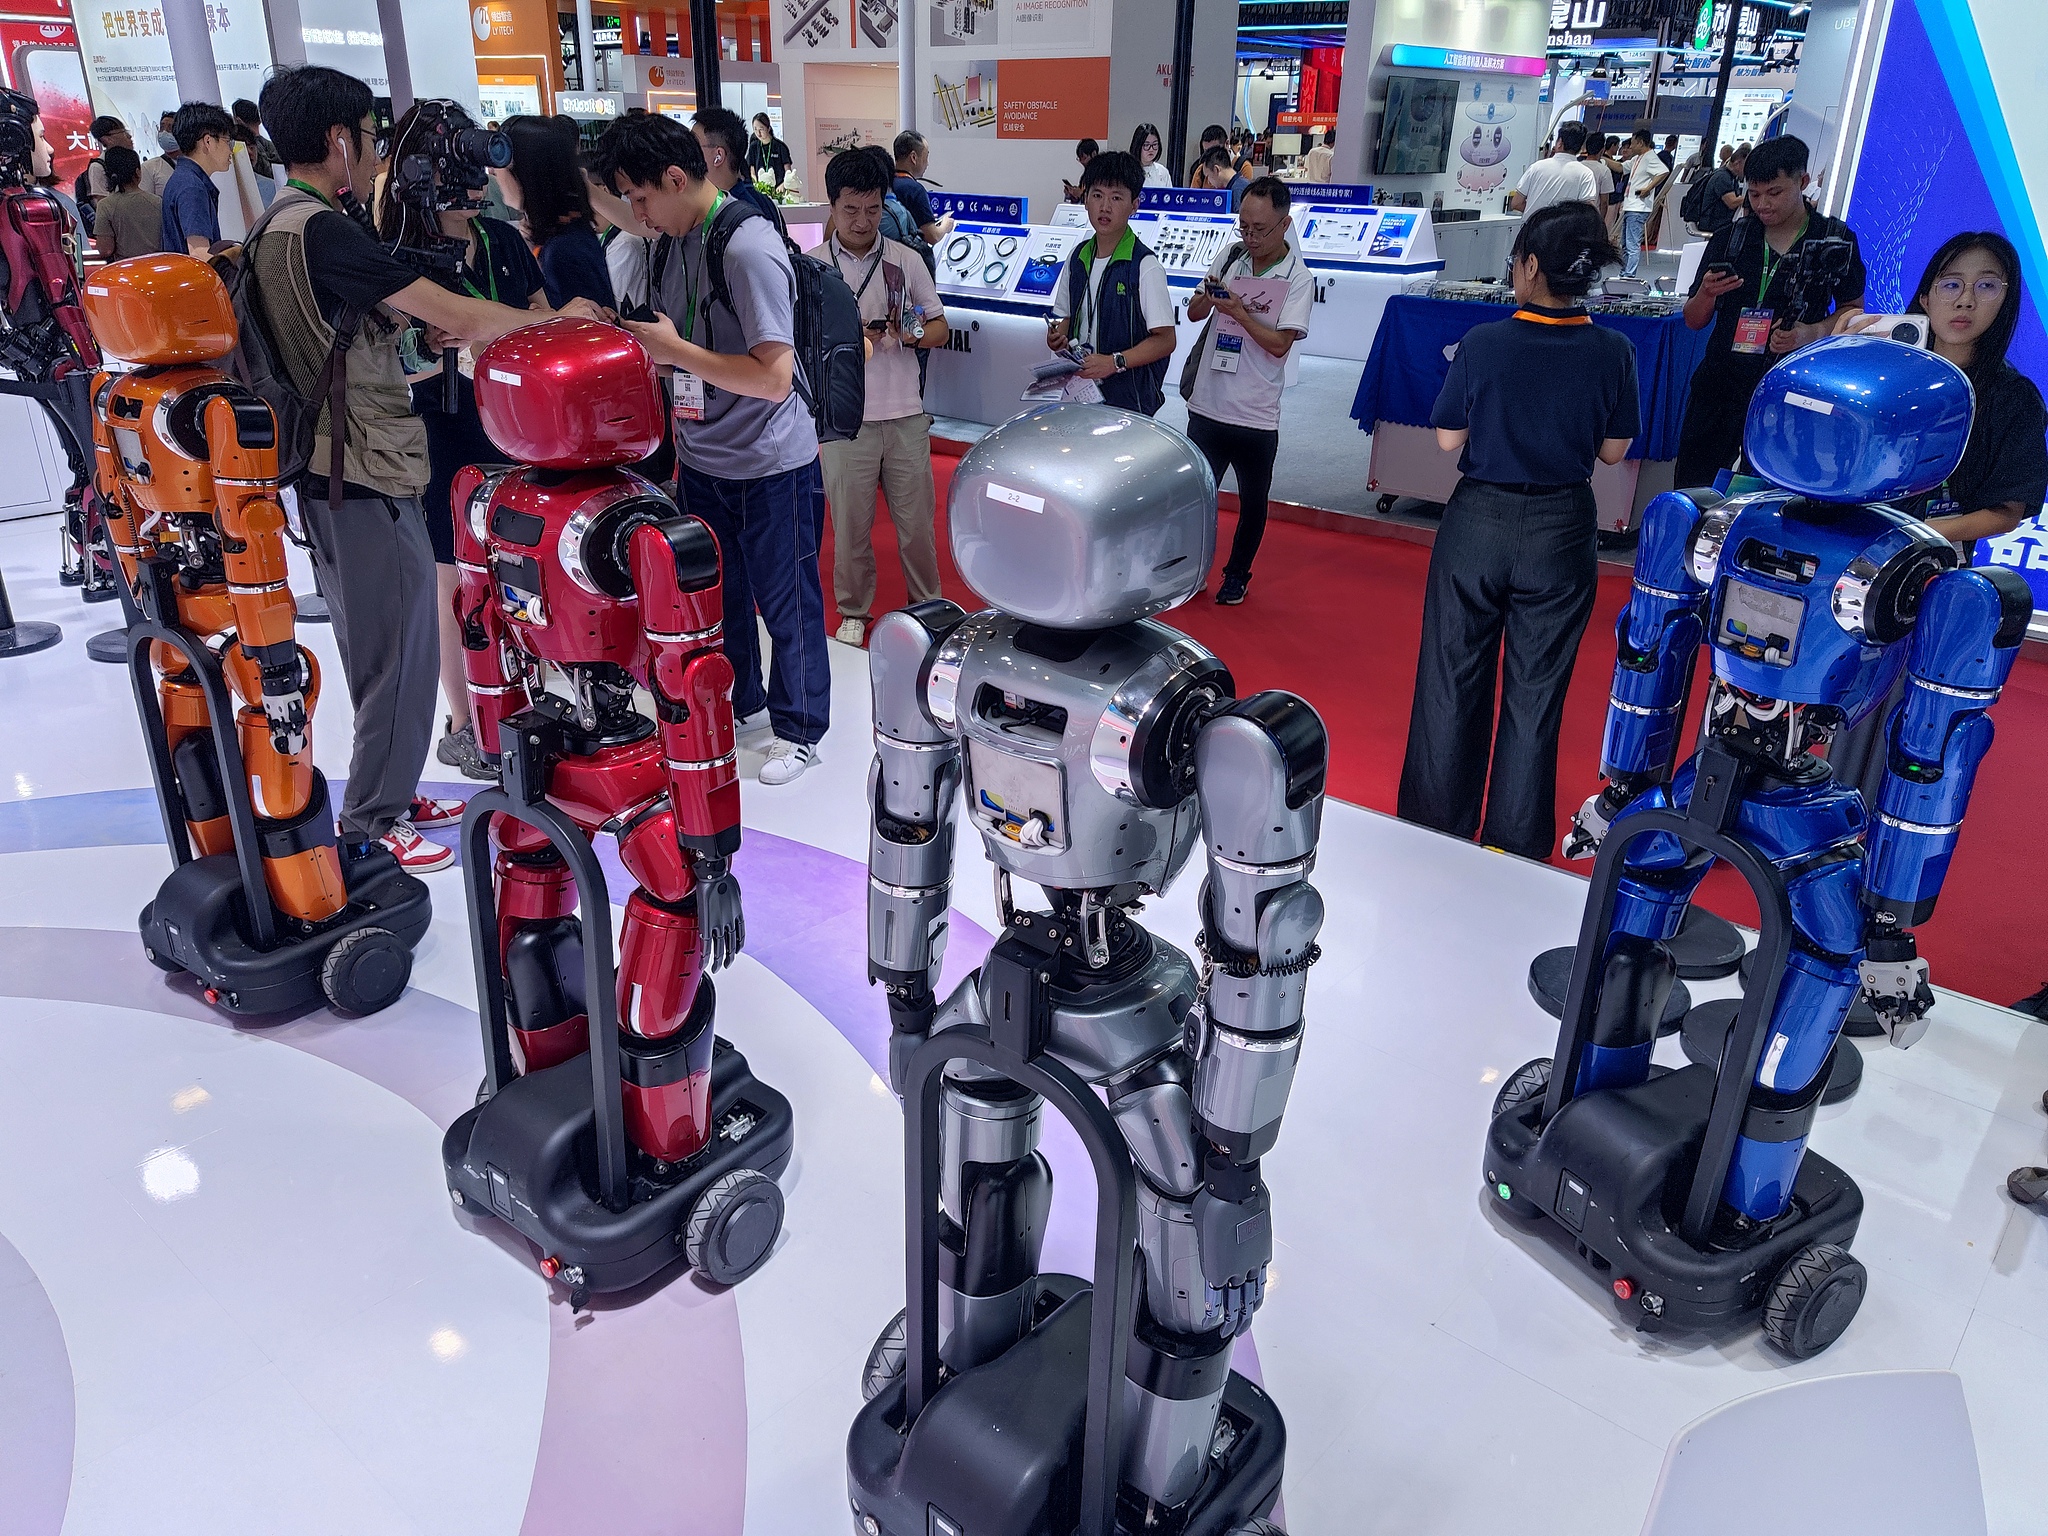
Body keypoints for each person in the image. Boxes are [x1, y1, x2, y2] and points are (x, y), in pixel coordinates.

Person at [249, 64, 604, 869]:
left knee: (381, 646)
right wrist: (549, 324)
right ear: (338, 140)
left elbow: (385, 333)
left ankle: (393, 792)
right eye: (368, 139)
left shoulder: (286, 223)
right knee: (399, 653)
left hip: (339, 466)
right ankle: (371, 824)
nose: (375, 155)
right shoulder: (323, 230)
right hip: (358, 469)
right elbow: (449, 310)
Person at [1397, 203, 1638, 861]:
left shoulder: (1484, 343)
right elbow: (1614, 452)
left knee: (1451, 678)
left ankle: (1435, 831)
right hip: (1562, 527)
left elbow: (1448, 438)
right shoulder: (1614, 349)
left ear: (1530, 265)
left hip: (1479, 521)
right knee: (1536, 696)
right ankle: (1514, 845)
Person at [597, 112, 831, 787]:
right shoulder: (671, 240)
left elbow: (773, 377)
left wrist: (673, 352)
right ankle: (746, 704)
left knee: (788, 605)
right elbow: (683, 344)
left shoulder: (746, 246)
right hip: (702, 457)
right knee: (720, 599)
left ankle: (801, 730)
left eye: (641, 197)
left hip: (771, 462)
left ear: (676, 178)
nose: (638, 214)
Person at [1832, 232, 2048, 812]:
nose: (1965, 300)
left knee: (1903, 718)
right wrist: (1838, 353)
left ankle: (1870, 830)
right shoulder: (1882, 374)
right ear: (1925, 296)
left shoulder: (2013, 399)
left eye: (1986, 286)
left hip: (1931, 575)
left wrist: (1911, 538)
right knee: (1822, 694)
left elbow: (2008, 510)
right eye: (1951, 284)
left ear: (2007, 298)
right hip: (1847, 560)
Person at [377, 102, 552, 780]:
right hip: (443, 434)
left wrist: (492, 328)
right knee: (456, 583)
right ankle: (465, 720)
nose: (476, 185)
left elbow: (543, 319)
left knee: (520, 570)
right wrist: (447, 344)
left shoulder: (500, 240)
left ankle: (525, 705)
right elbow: (392, 359)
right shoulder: (399, 253)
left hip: (514, 430)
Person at [807, 147, 949, 647]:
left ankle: (927, 607)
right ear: (832, 206)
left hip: (904, 410)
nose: (863, 220)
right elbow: (800, 342)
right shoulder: (812, 267)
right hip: (844, 419)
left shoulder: (905, 260)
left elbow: (939, 328)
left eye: (872, 209)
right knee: (849, 526)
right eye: (851, 209)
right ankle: (853, 610)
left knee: (917, 527)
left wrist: (908, 332)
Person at [1674, 135, 1865, 489]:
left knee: (1776, 491)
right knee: (1696, 488)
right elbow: (1693, 319)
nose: (1762, 204)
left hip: (1793, 389)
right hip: (1720, 385)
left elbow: (1853, 311)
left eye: (1774, 193)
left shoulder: (1834, 241)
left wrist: (1810, 333)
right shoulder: (1731, 239)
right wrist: (1706, 293)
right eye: (1754, 194)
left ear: (1802, 182)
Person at [1182, 176, 1313, 606]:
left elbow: (1279, 345)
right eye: (1244, 226)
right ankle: (1191, 571)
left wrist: (1240, 312)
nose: (1250, 237)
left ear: (1284, 225)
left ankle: (1237, 575)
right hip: (1208, 402)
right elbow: (1194, 312)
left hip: (1256, 411)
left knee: (1253, 502)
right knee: (1197, 497)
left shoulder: (1299, 278)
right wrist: (1211, 296)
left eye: (1260, 229)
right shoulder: (1231, 255)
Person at [1046, 149, 1175, 415]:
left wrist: (1115, 362)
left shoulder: (1144, 265)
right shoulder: (1077, 257)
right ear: (1085, 200)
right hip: (1081, 392)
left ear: (1134, 205)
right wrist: (1057, 337)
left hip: (1129, 401)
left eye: (1116, 198)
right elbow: (1066, 317)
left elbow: (1166, 340)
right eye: (1097, 195)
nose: (1105, 207)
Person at [496, 116, 615, 311]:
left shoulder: (563, 249)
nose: (495, 173)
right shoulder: (563, 236)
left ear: (524, 173)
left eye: (501, 166)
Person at [160, 102, 234, 257]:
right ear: (208, 141)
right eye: (228, 141)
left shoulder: (183, 179)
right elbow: (199, 253)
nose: (230, 150)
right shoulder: (192, 187)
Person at [694, 106, 782, 224]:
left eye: (693, 145)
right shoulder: (724, 203)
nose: (688, 152)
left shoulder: (745, 217)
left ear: (718, 156)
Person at [1510, 121, 1599, 216]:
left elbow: (1516, 203)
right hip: (1565, 225)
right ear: (1581, 147)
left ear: (1559, 142)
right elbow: (1589, 211)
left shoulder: (1536, 167)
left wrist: (1536, 213)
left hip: (1533, 224)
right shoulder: (1585, 174)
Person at [91, 146, 163, 260]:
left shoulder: (106, 205)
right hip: (158, 264)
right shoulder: (158, 201)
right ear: (138, 172)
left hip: (127, 267)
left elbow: (105, 249)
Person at [1619, 127, 1667, 277]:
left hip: (1638, 208)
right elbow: (1620, 167)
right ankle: (1625, 272)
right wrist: (1602, 159)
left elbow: (1663, 171)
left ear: (1640, 143)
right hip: (1631, 206)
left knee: (1632, 244)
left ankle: (1629, 274)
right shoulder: (1637, 159)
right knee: (1626, 244)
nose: (1630, 147)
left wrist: (1648, 188)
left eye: (1632, 143)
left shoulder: (1650, 157)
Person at [892, 130, 951, 245]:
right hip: (907, 253)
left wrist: (926, 218)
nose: (927, 163)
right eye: (926, 156)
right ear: (913, 157)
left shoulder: (885, 183)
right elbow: (932, 237)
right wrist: (945, 225)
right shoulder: (915, 190)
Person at [231, 98, 278, 179]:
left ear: (237, 120)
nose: (250, 151)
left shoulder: (239, 148)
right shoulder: (273, 146)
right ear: (260, 120)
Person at [140, 110, 180, 198]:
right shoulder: (149, 167)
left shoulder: (197, 162)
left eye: (170, 128)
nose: (164, 132)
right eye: (161, 128)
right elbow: (145, 201)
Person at [746, 111, 792, 188]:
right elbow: (752, 171)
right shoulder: (753, 147)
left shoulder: (780, 147)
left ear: (768, 128)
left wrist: (783, 185)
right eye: (755, 129)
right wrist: (757, 185)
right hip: (760, 189)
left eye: (761, 129)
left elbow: (788, 172)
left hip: (779, 189)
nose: (758, 133)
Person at [1130, 122, 1171, 188]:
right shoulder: (1128, 171)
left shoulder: (1163, 172)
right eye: (1146, 145)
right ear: (1137, 146)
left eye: (1154, 144)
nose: (1151, 149)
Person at [1063, 137, 1097, 203]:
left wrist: (1081, 194)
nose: (1082, 162)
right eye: (1079, 159)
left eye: (1084, 158)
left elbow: (1096, 200)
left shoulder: (1099, 175)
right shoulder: (1085, 176)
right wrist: (1072, 193)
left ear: (1094, 154)